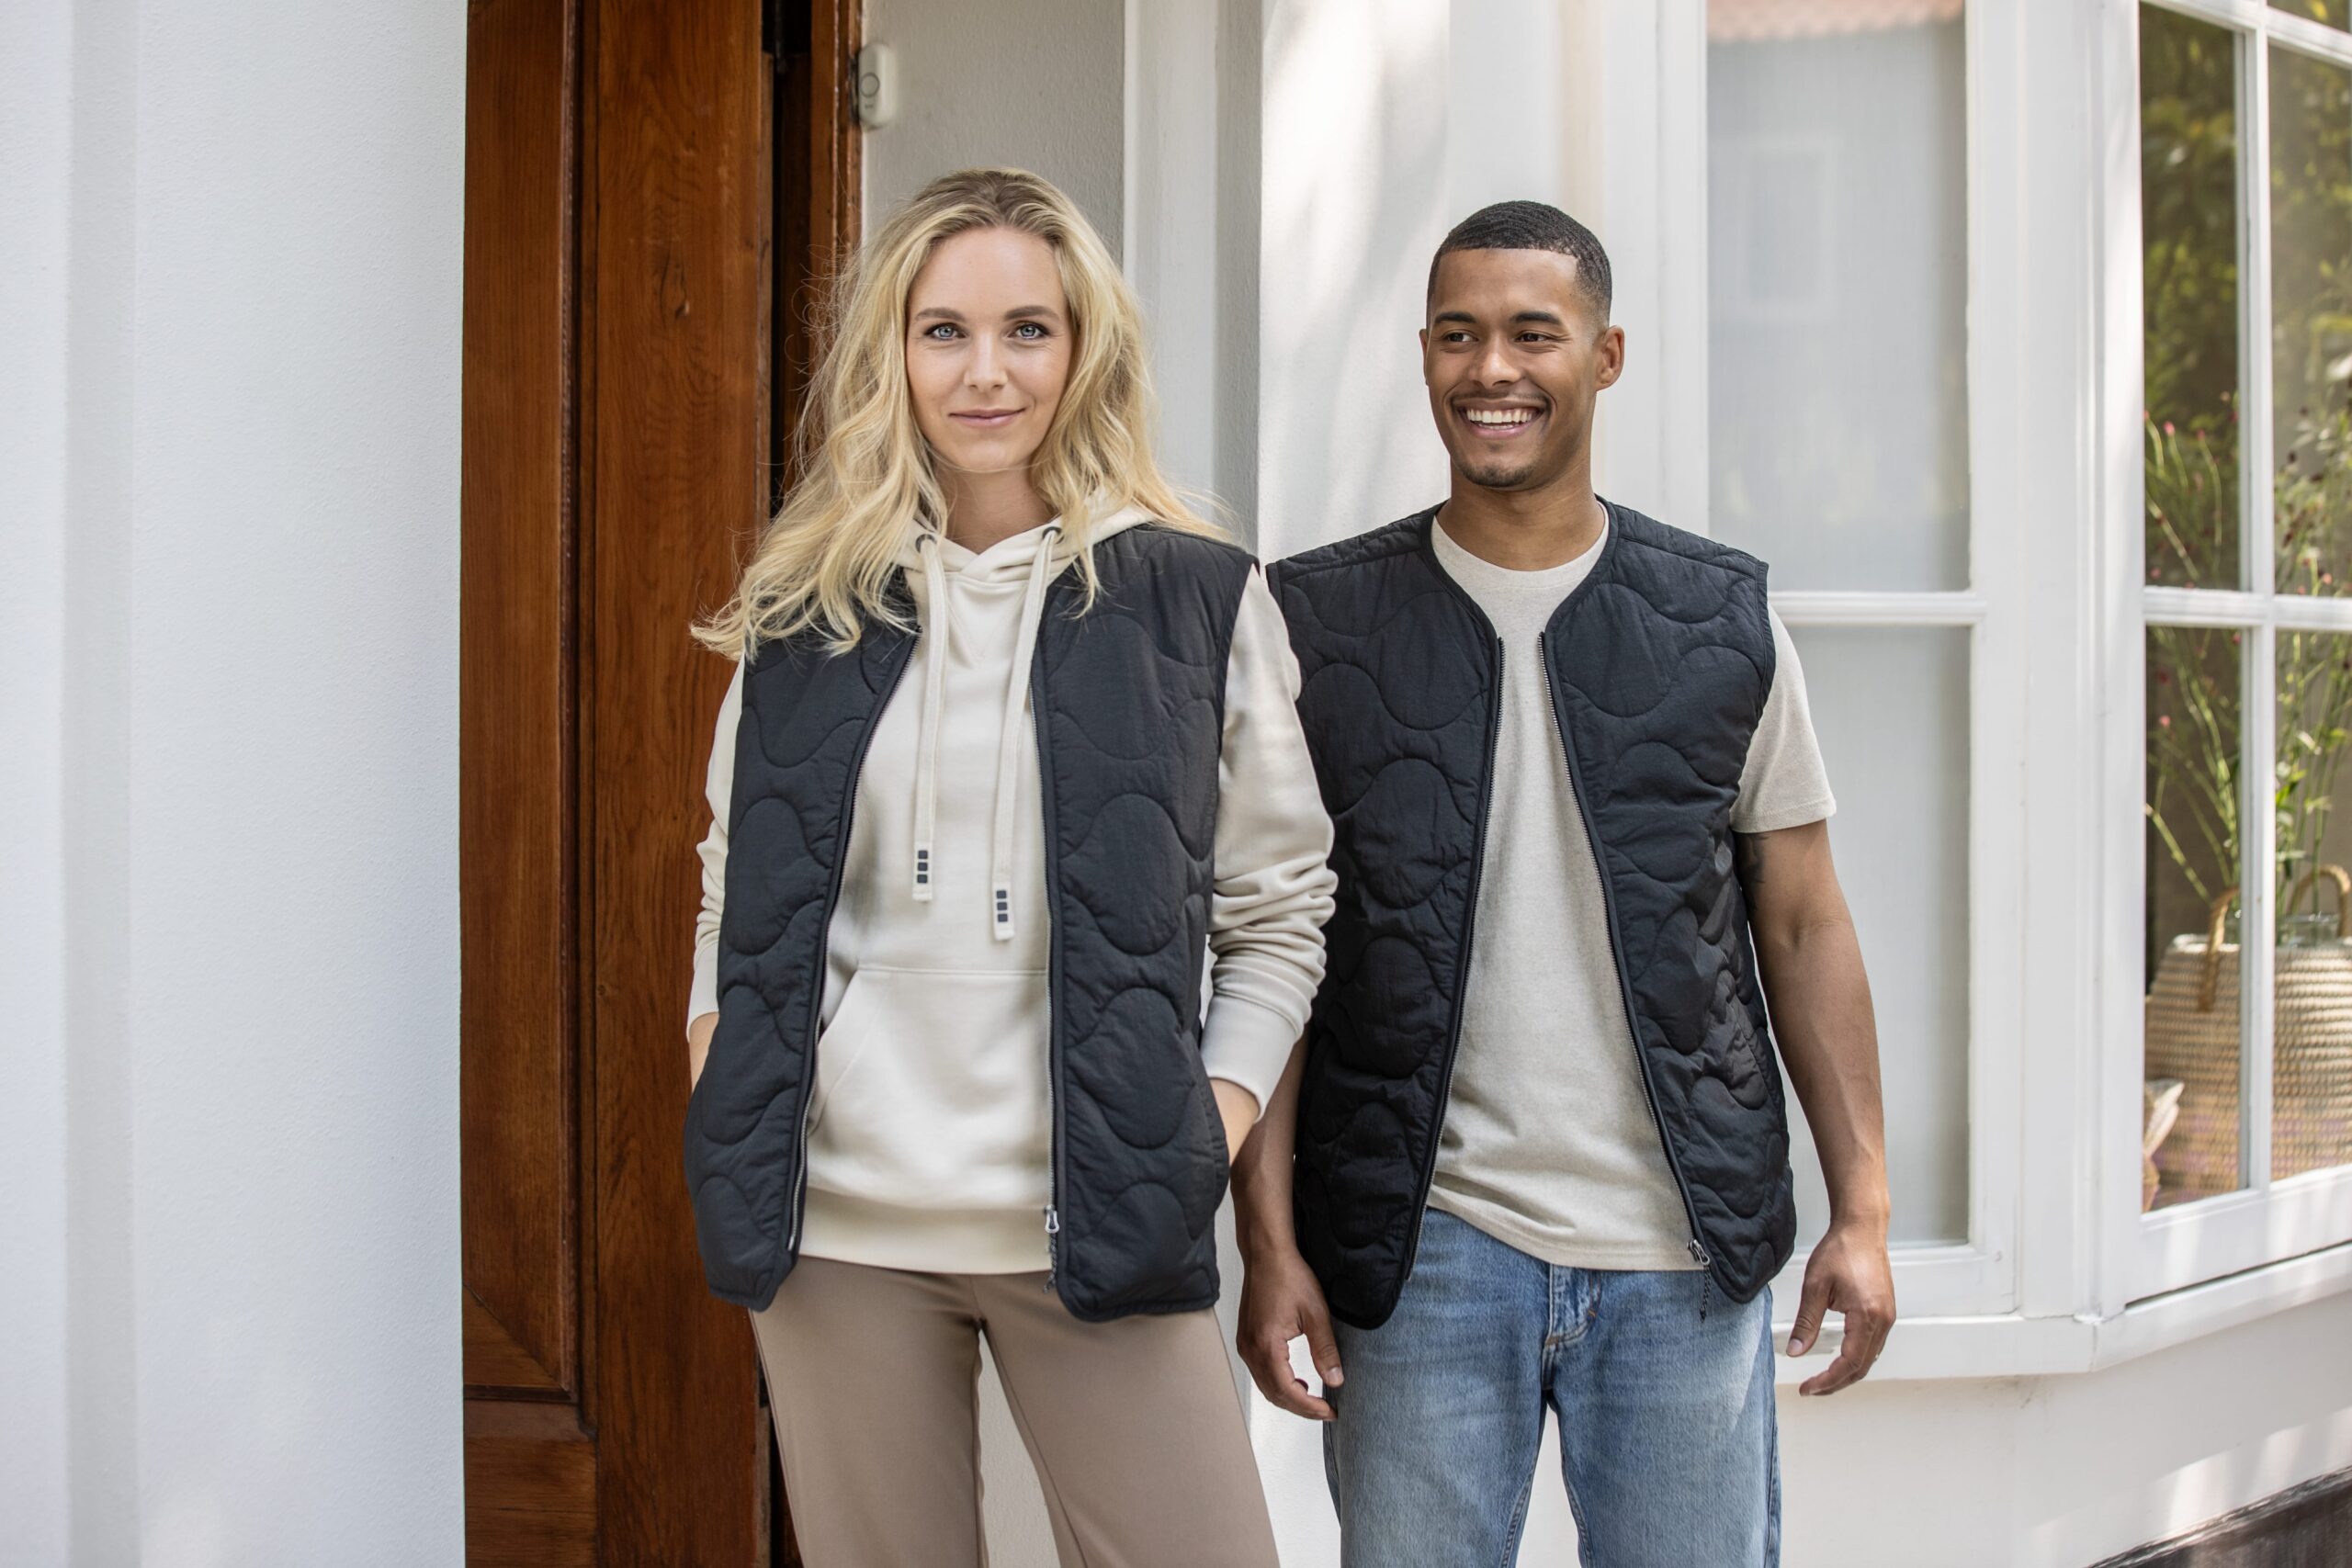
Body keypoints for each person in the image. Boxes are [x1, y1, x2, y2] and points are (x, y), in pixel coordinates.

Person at [682, 167, 1333, 1568]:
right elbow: (732, 888)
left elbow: (1281, 911)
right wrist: (721, 1070)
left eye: (1027, 329)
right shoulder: (803, 609)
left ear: (1083, 347)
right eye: (945, 332)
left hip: (1102, 1213)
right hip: (836, 1232)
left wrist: (1202, 1123)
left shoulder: (1195, 597)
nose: (986, 372)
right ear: (895, 357)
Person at [1235, 199, 1898, 1567]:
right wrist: (1270, 1241)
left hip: (1680, 1250)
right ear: (1425, 353)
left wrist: (1866, 1210)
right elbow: (1277, 947)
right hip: (1418, 1254)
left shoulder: (1720, 619)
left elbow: (1803, 922)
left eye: (1534, 334)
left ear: (1605, 356)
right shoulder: (1313, 624)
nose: (1493, 369)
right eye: (1459, 335)